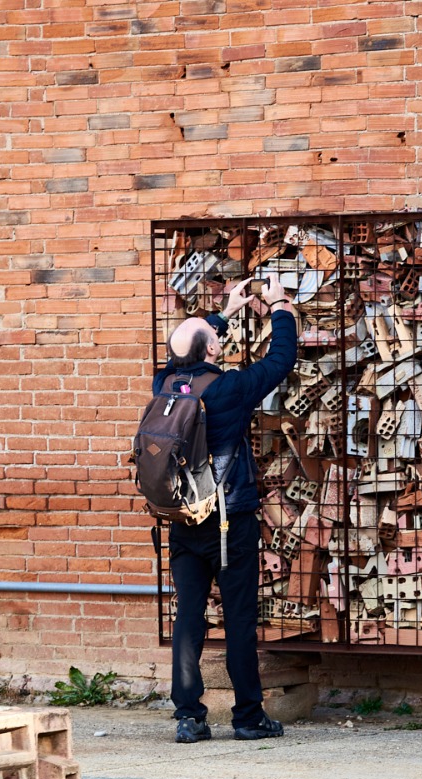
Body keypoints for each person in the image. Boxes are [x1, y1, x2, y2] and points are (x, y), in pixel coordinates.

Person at [155, 278, 299, 743]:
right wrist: (278, 307)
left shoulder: (165, 384)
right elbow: (281, 361)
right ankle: (248, 717)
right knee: (238, 619)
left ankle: (189, 717)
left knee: (189, 618)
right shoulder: (231, 389)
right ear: (214, 350)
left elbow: (185, 351)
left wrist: (220, 316)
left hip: (182, 520)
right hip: (229, 521)